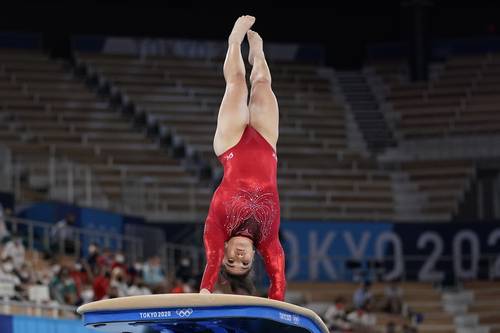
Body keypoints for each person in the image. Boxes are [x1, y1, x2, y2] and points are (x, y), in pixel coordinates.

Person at [199, 15, 285, 301]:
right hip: (266, 143)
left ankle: (234, 41)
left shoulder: (216, 230)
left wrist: (204, 293)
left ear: (221, 253)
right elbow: (278, 279)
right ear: (253, 257)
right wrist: (277, 312)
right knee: (262, 83)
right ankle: (258, 54)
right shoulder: (268, 239)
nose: (239, 257)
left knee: (236, 84)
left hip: (231, 144)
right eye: (245, 263)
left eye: (230, 262)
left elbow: (210, 265)